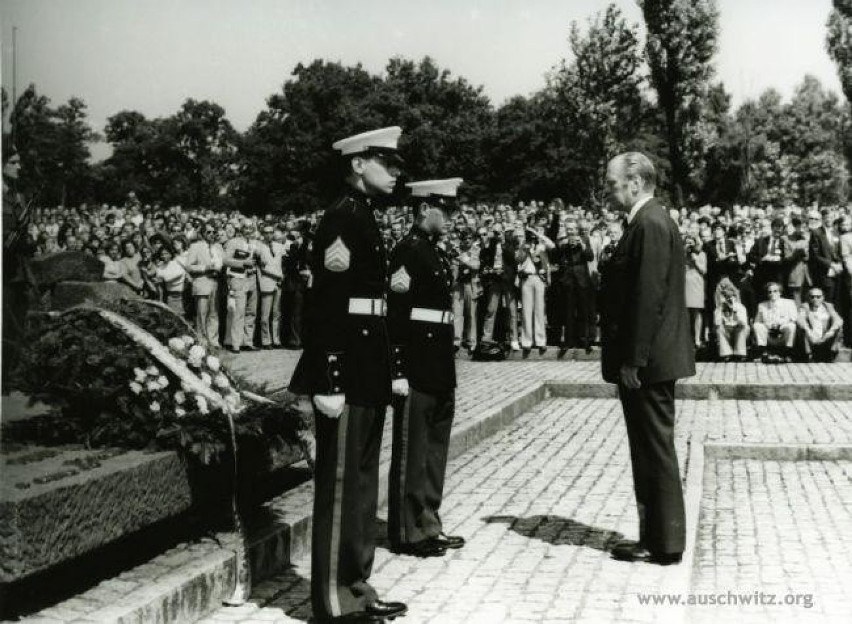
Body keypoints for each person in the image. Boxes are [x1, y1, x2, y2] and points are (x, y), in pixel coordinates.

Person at [288, 127, 408, 624]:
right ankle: (335, 600)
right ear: (359, 164)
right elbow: (327, 308)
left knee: (360, 484)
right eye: (387, 162)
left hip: (367, 368)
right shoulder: (341, 218)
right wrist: (329, 377)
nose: (396, 172)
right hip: (347, 370)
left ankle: (356, 586)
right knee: (341, 484)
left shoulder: (364, 218)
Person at [600, 152, 694, 566]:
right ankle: (656, 537)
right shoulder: (649, 221)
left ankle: (665, 543)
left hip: (649, 362)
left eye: (614, 183)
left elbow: (647, 298)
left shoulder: (650, 224)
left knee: (654, 449)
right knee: (650, 449)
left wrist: (633, 361)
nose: (609, 190)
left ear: (636, 182)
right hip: (650, 358)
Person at [386, 177, 467, 559]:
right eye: (445, 209)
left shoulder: (433, 251)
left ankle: (429, 521)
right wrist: (397, 369)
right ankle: (408, 530)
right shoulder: (407, 251)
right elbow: (398, 316)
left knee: (435, 449)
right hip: (417, 364)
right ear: (423, 209)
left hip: (437, 364)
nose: (451, 216)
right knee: (413, 450)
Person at [479, 222, 520, 351]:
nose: (497, 235)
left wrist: (503, 244)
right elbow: (485, 258)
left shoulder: (510, 242)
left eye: (499, 232)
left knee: (511, 310)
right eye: (495, 232)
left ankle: (514, 339)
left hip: (508, 280)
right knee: (491, 309)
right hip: (495, 279)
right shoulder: (491, 244)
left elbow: (513, 258)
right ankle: (486, 338)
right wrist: (489, 270)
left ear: (503, 231)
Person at [223, 220, 260, 353]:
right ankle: (236, 343)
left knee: (251, 311)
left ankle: (248, 341)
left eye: (251, 227)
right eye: (246, 227)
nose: (248, 230)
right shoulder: (233, 242)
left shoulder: (255, 243)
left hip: (252, 279)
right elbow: (226, 260)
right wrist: (243, 263)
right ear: (241, 229)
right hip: (238, 279)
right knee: (238, 312)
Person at [517, 226, 554, 356]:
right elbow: (519, 259)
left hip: (539, 278)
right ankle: (526, 341)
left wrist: (538, 235)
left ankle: (540, 340)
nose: (532, 237)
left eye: (533, 236)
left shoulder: (542, 245)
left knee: (539, 310)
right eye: (530, 235)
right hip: (526, 278)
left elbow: (552, 245)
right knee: (526, 311)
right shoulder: (524, 245)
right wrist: (526, 246)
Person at [185, 224, 223, 347]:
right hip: (202, 283)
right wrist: (205, 268)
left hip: (215, 283)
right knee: (201, 314)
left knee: (214, 313)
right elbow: (189, 266)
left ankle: (213, 341)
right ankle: (202, 341)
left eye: (213, 232)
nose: (211, 234)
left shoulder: (218, 247)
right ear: (202, 234)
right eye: (208, 232)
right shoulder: (195, 246)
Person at [752, 282, 798, 363]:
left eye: (775, 291)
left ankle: (788, 353)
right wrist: (768, 326)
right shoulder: (762, 305)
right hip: (768, 334)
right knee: (757, 325)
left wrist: (780, 325)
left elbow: (793, 319)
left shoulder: (789, 303)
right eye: (769, 292)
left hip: (783, 333)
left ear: (780, 292)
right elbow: (757, 321)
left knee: (791, 326)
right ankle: (763, 352)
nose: (772, 294)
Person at [257, 222, 286, 349]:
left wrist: (281, 276)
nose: (268, 235)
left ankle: (276, 339)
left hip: (278, 284)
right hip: (267, 282)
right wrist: (278, 275)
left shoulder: (279, 246)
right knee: (265, 315)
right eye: (266, 233)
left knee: (276, 313)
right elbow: (263, 267)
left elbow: (283, 263)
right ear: (262, 234)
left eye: (271, 232)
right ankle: (266, 340)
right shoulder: (259, 247)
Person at [798, 286, 843, 362]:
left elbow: (838, 320)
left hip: (825, 337)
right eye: (812, 297)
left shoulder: (828, 306)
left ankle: (831, 353)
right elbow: (800, 319)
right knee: (801, 329)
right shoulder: (805, 306)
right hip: (812, 337)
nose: (815, 299)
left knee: (838, 328)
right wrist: (808, 331)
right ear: (808, 298)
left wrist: (831, 331)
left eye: (818, 297)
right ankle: (808, 354)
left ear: (823, 298)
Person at [713, 278, 749, 362]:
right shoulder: (718, 309)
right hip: (726, 331)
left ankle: (740, 353)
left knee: (743, 328)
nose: (728, 299)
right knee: (719, 328)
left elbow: (743, 323)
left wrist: (734, 310)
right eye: (725, 296)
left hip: (738, 330)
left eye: (730, 296)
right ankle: (726, 353)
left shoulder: (740, 307)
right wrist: (720, 309)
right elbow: (717, 322)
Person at [684, 234, 707, 349]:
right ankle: (686, 338)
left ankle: (697, 338)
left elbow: (703, 270)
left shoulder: (701, 254)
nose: (690, 245)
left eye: (691, 242)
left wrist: (695, 259)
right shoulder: (682, 254)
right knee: (685, 313)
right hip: (685, 283)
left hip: (697, 283)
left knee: (696, 312)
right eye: (688, 242)